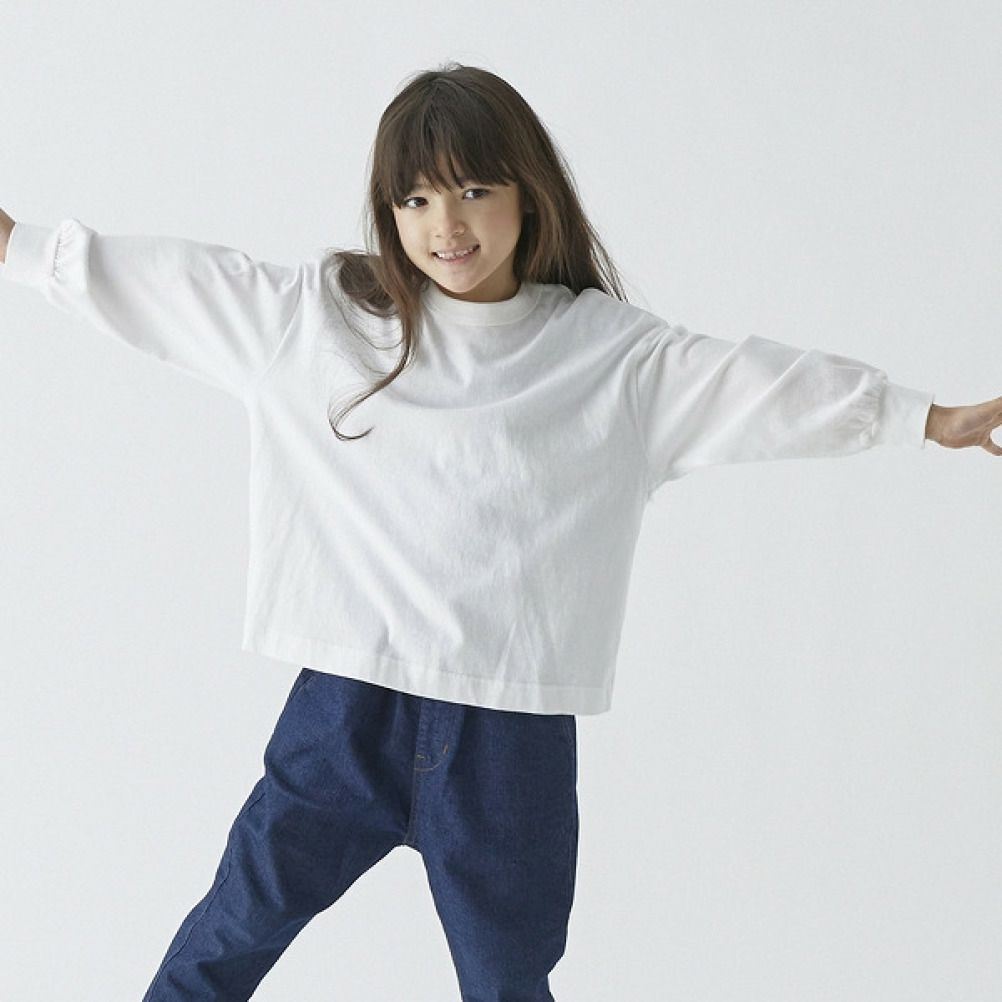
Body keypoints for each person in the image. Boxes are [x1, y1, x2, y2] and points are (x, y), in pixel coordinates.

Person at [0, 62, 999, 1002]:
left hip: (509, 735)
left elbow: (757, 385)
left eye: (474, 190)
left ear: (529, 195)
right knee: (229, 936)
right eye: (416, 200)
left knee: (508, 983)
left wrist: (923, 417)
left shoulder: (610, 358)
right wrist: (20, 246)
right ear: (390, 213)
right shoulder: (322, 321)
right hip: (348, 710)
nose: (446, 225)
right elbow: (175, 283)